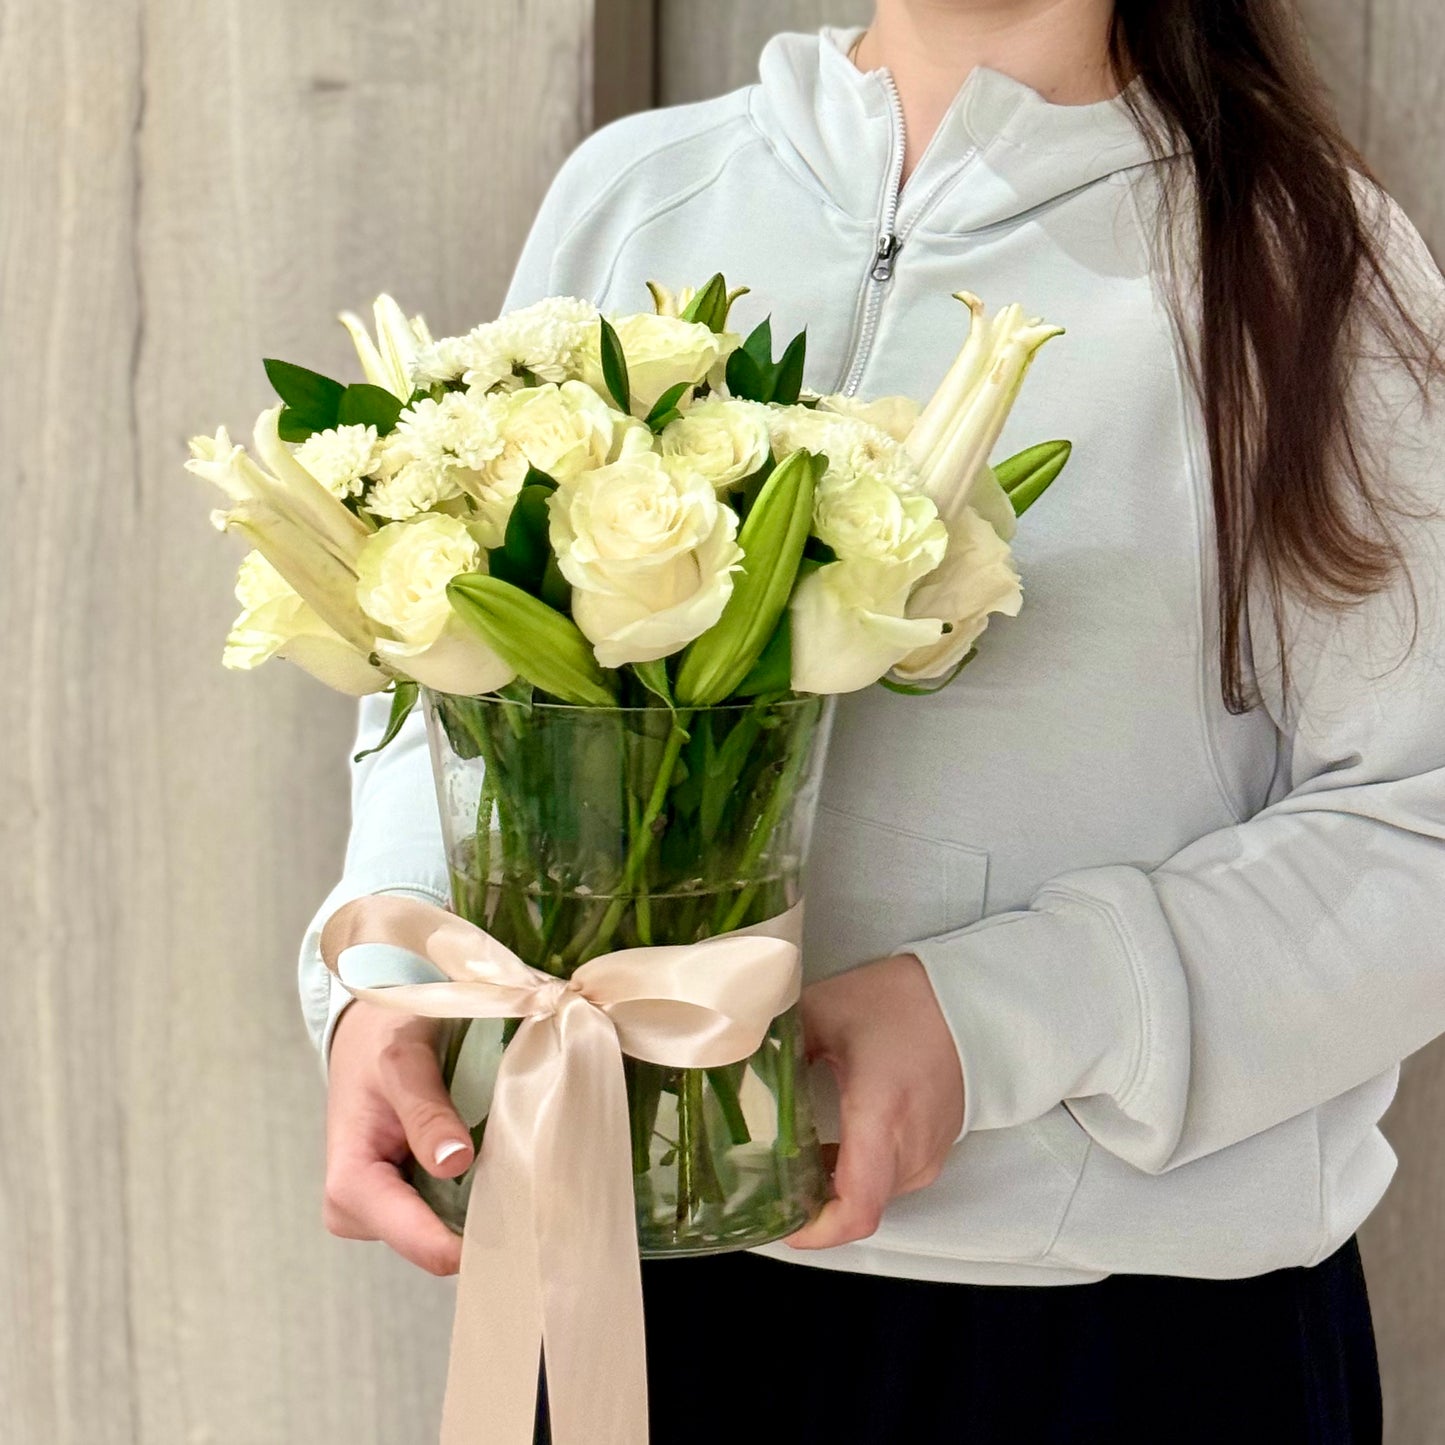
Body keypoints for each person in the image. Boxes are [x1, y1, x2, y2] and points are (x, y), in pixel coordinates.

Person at [303, 3, 1445, 1440]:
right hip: (626, 1285)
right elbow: (454, 665)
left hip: (1114, 1339)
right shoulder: (637, 190)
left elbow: (1419, 830)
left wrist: (988, 1020)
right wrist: (393, 974)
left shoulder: (1300, 262)